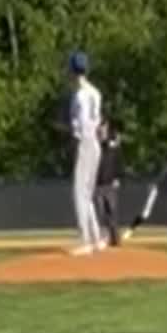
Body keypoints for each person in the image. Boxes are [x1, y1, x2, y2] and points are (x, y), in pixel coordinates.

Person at [64, 50, 104, 256]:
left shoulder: (78, 96)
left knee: (79, 192)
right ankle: (96, 238)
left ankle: (85, 240)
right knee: (87, 193)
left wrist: (74, 141)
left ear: (72, 70)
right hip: (96, 143)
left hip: (86, 142)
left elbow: (80, 125)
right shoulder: (96, 92)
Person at [93, 120, 125, 247]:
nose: (102, 131)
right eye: (100, 129)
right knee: (99, 212)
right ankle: (102, 237)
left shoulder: (113, 147)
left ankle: (115, 238)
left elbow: (119, 163)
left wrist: (118, 177)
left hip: (110, 184)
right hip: (97, 184)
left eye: (104, 129)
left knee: (112, 211)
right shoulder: (94, 147)